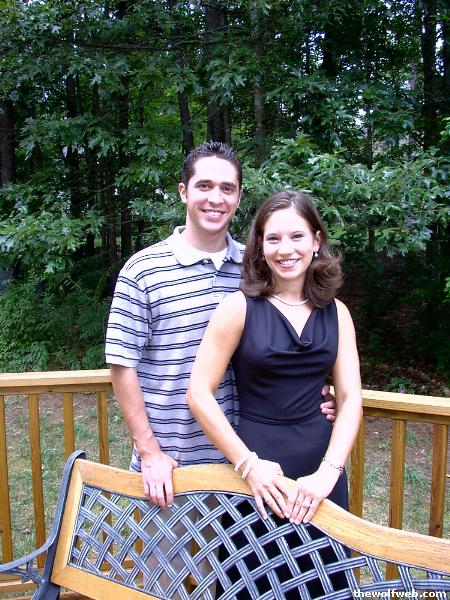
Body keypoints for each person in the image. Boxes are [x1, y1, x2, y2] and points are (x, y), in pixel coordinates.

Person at [105, 143, 337, 509]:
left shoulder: (256, 268)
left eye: (227, 188)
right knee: (169, 549)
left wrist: (313, 395)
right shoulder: (143, 270)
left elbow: (288, 334)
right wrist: (149, 451)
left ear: (239, 196)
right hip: (172, 465)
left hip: (245, 461)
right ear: (183, 191)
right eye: (204, 186)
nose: (216, 198)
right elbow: (122, 365)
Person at [187, 189, 362, 597]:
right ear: (260, 246)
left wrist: (328, 473)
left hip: (322, 473)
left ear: (316, 240)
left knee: (324, 581)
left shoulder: (337, 313)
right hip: (258, 474)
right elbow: (198, 392)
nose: (286, 249)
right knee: (253, 582)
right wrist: (250, 466)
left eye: (297, 236)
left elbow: (350, 397)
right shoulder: (237, 308)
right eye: (274, 238)